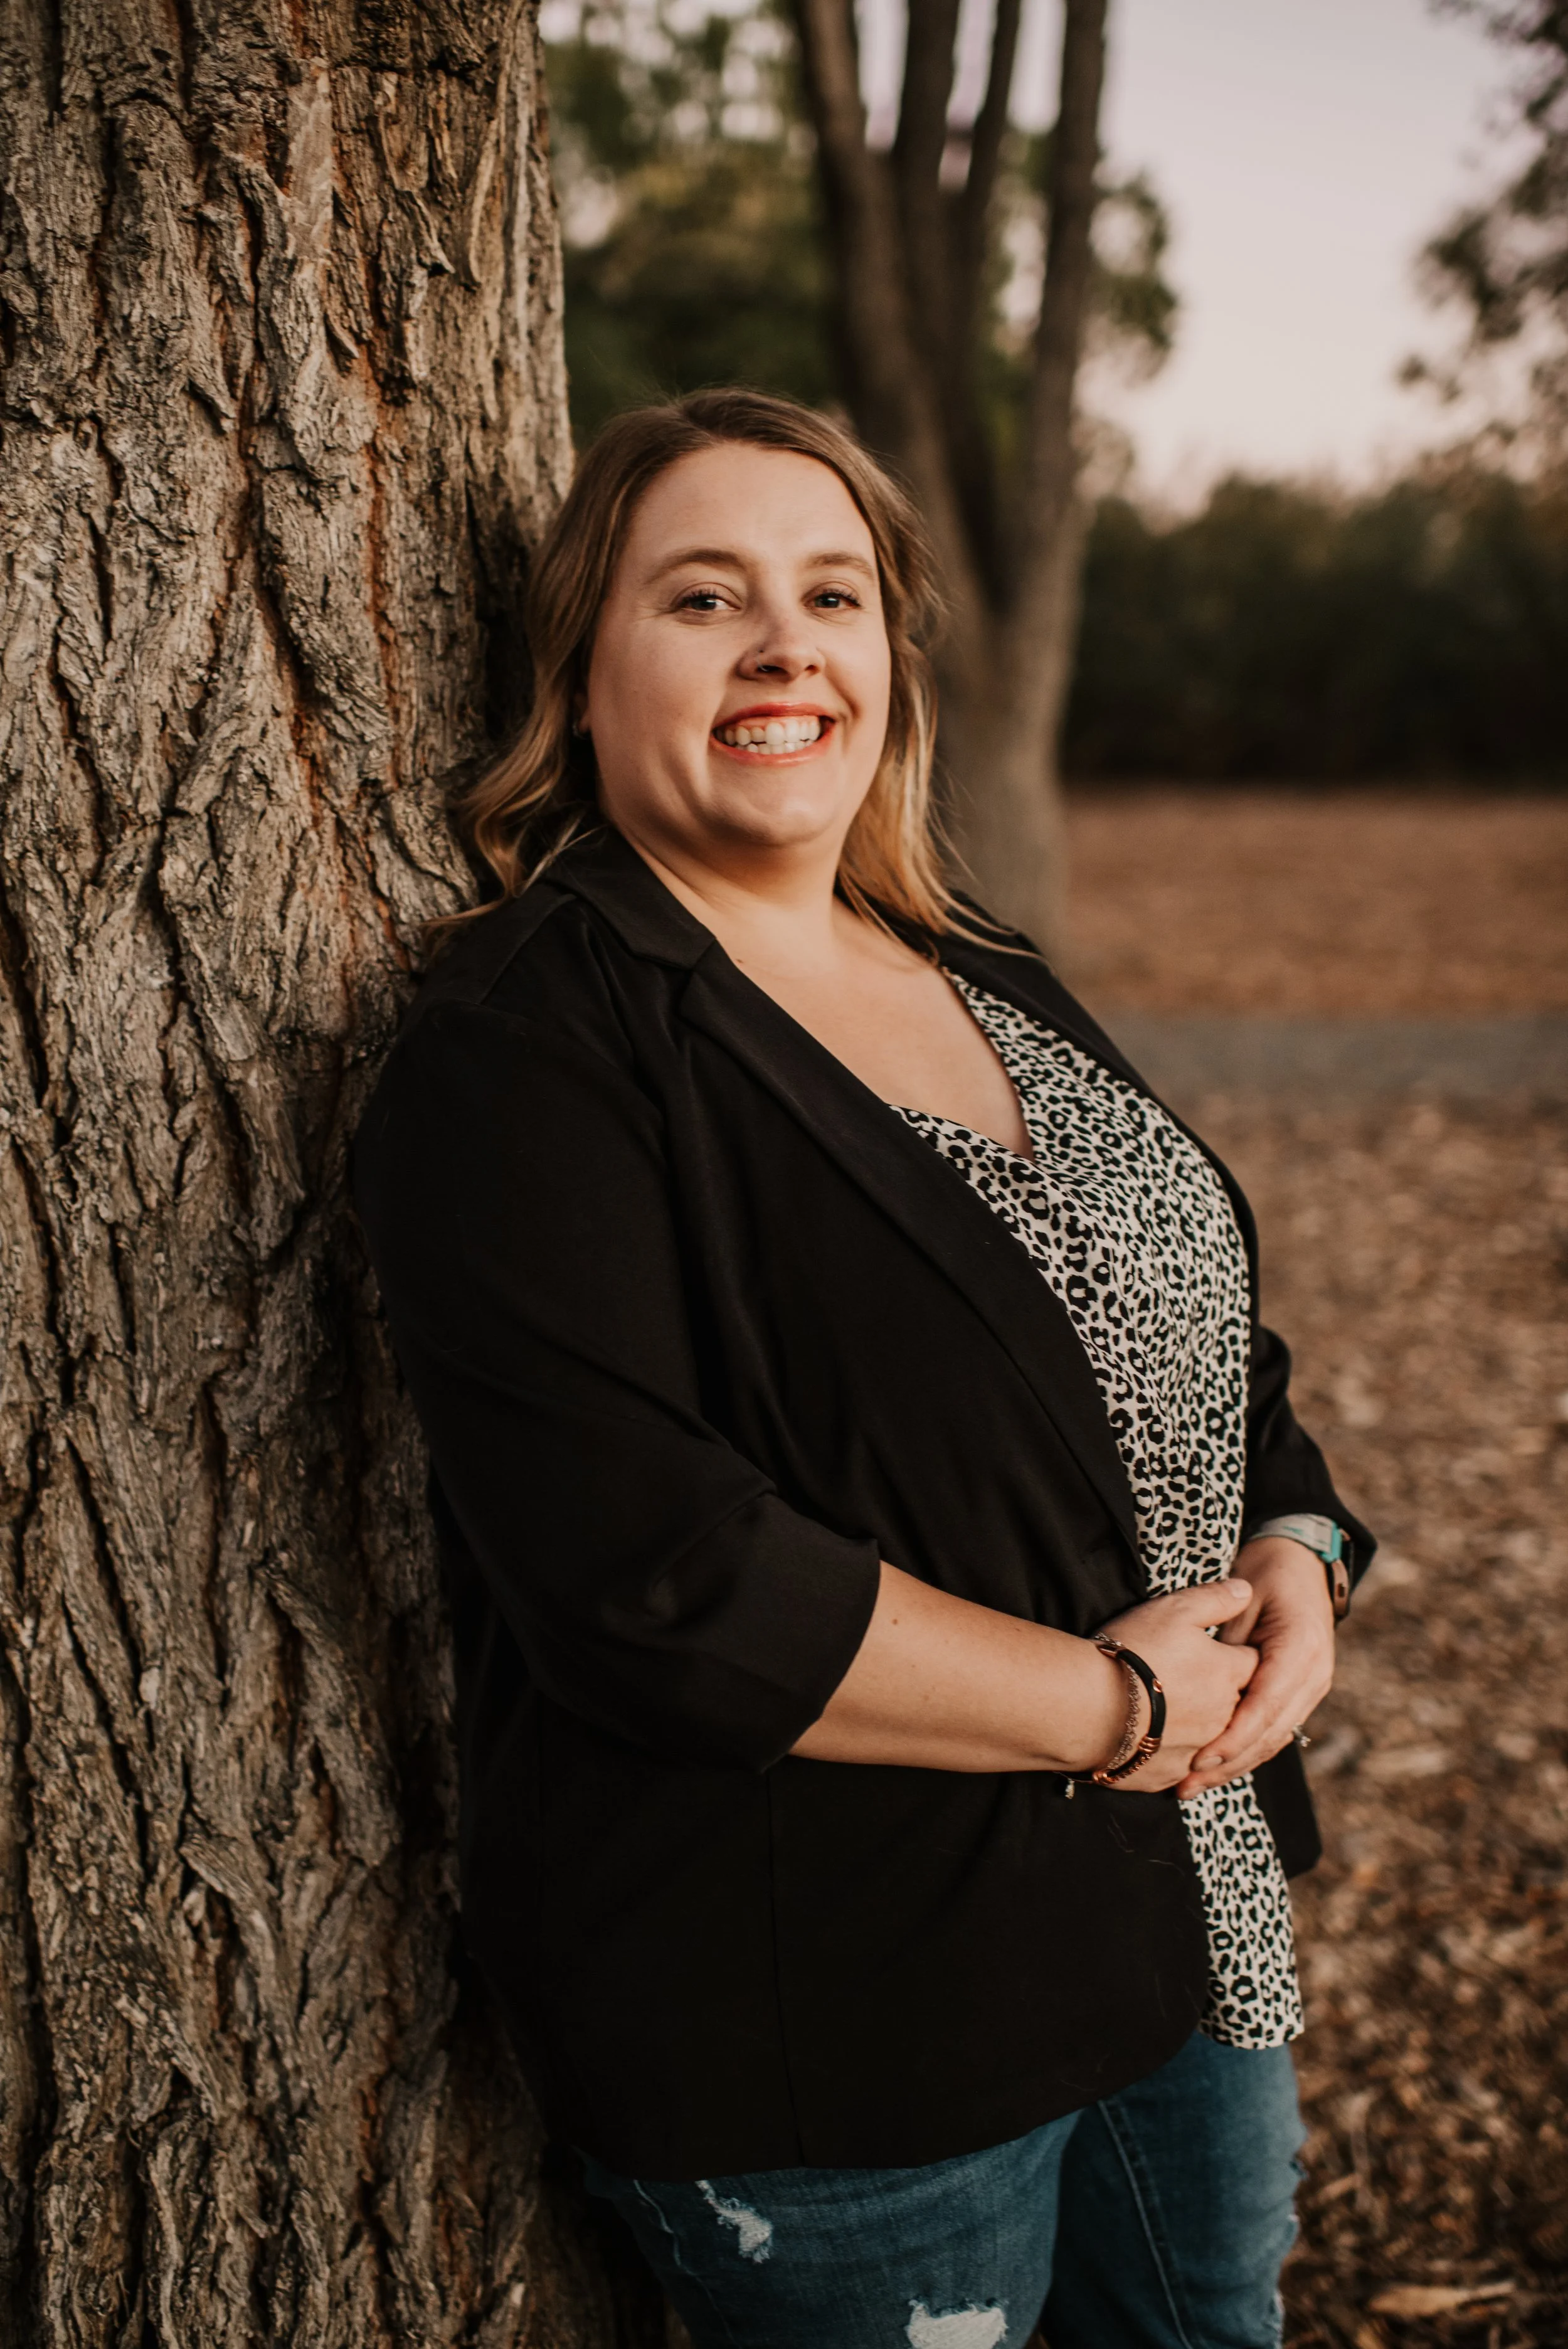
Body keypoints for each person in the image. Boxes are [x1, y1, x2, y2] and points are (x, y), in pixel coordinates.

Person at [354, 389, 1373, 2349]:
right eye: (701, 596)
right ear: (578, 672)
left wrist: (1302, 1551)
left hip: (1174, 1902)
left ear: (888, 667)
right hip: (843, 2009)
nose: (780, 647)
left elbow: (1192, 1330)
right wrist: (1108, 1697)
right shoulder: (526, 1052)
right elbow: (652, 1580)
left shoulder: (970, 962)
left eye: (830, 595)